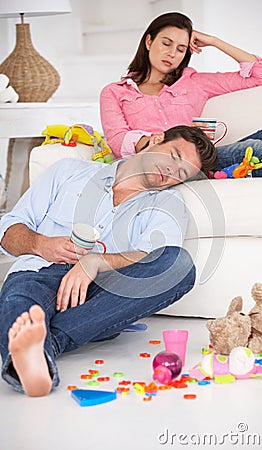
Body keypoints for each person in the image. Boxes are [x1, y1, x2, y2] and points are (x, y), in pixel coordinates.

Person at [0, 125, 217, 397]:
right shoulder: (69, 171)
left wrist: (96, 263)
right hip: (38, 272)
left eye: (182, 173)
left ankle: (42, 346)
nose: (172, 172)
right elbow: (8, 229)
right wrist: (40, 244)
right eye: (174, 156)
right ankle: (34, 362)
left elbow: (158, 256)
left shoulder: (168, 203)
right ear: (157, 139)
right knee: (20, 302)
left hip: (100, 293)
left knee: (179, 265)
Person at [100, 12, 262, 177]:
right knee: (253, 149)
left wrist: (214, 41)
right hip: (168, 165)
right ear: (149, 41)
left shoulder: (194, 82)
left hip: (202, 156)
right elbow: (118, 141)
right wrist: (156, 141)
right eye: (166, 43)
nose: (172, 54)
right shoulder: (114, 92)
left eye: (181, 49)